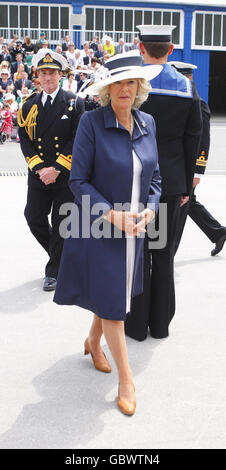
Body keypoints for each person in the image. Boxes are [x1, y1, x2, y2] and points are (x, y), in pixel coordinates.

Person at [53, 51, 162, 416]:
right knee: (115, 304)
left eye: (130, 82)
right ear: (106, 89)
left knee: (113, 291)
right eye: (117, 83)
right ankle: (126, 379)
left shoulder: (148, 122)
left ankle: (92, 341)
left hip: (137, 228)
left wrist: (150, 207)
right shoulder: (91, 123)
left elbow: (156, 177)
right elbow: (78, 180)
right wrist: (112, 215)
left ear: (139, 87)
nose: (124, 89)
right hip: (100, 227)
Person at [125, 25, 202, 341]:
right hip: (169, 185)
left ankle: (135, 324)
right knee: (163, 252)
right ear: (171, 51)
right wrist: (187, 187)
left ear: (140, 48)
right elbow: (193, 137)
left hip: (133, 181)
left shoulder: (129, 82)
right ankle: (160, 325)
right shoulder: (185, 87)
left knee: (137, 252)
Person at [18, 49, 84, 291]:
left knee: (61, 223)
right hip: (38, 176)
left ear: (60, 75)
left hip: (64, 175)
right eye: (43, 73)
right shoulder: (28, 106)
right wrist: (40, 168)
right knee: (33, 217)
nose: (47, 78)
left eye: (52, 73)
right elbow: (24, 139)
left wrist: (56, 168)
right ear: (37, 76)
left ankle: (53, 271)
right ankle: (63, 258)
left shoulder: (74, 102)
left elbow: (78, 139)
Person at [169, 61, 226, 256]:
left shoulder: (198, 103)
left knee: (180, 208)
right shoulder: (183, 100)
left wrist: (197, 171)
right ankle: (218, 232)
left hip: (190, 166)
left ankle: (169, 253)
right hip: (179, 165)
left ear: (188, 78)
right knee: (187, 202)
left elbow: (204, 140)